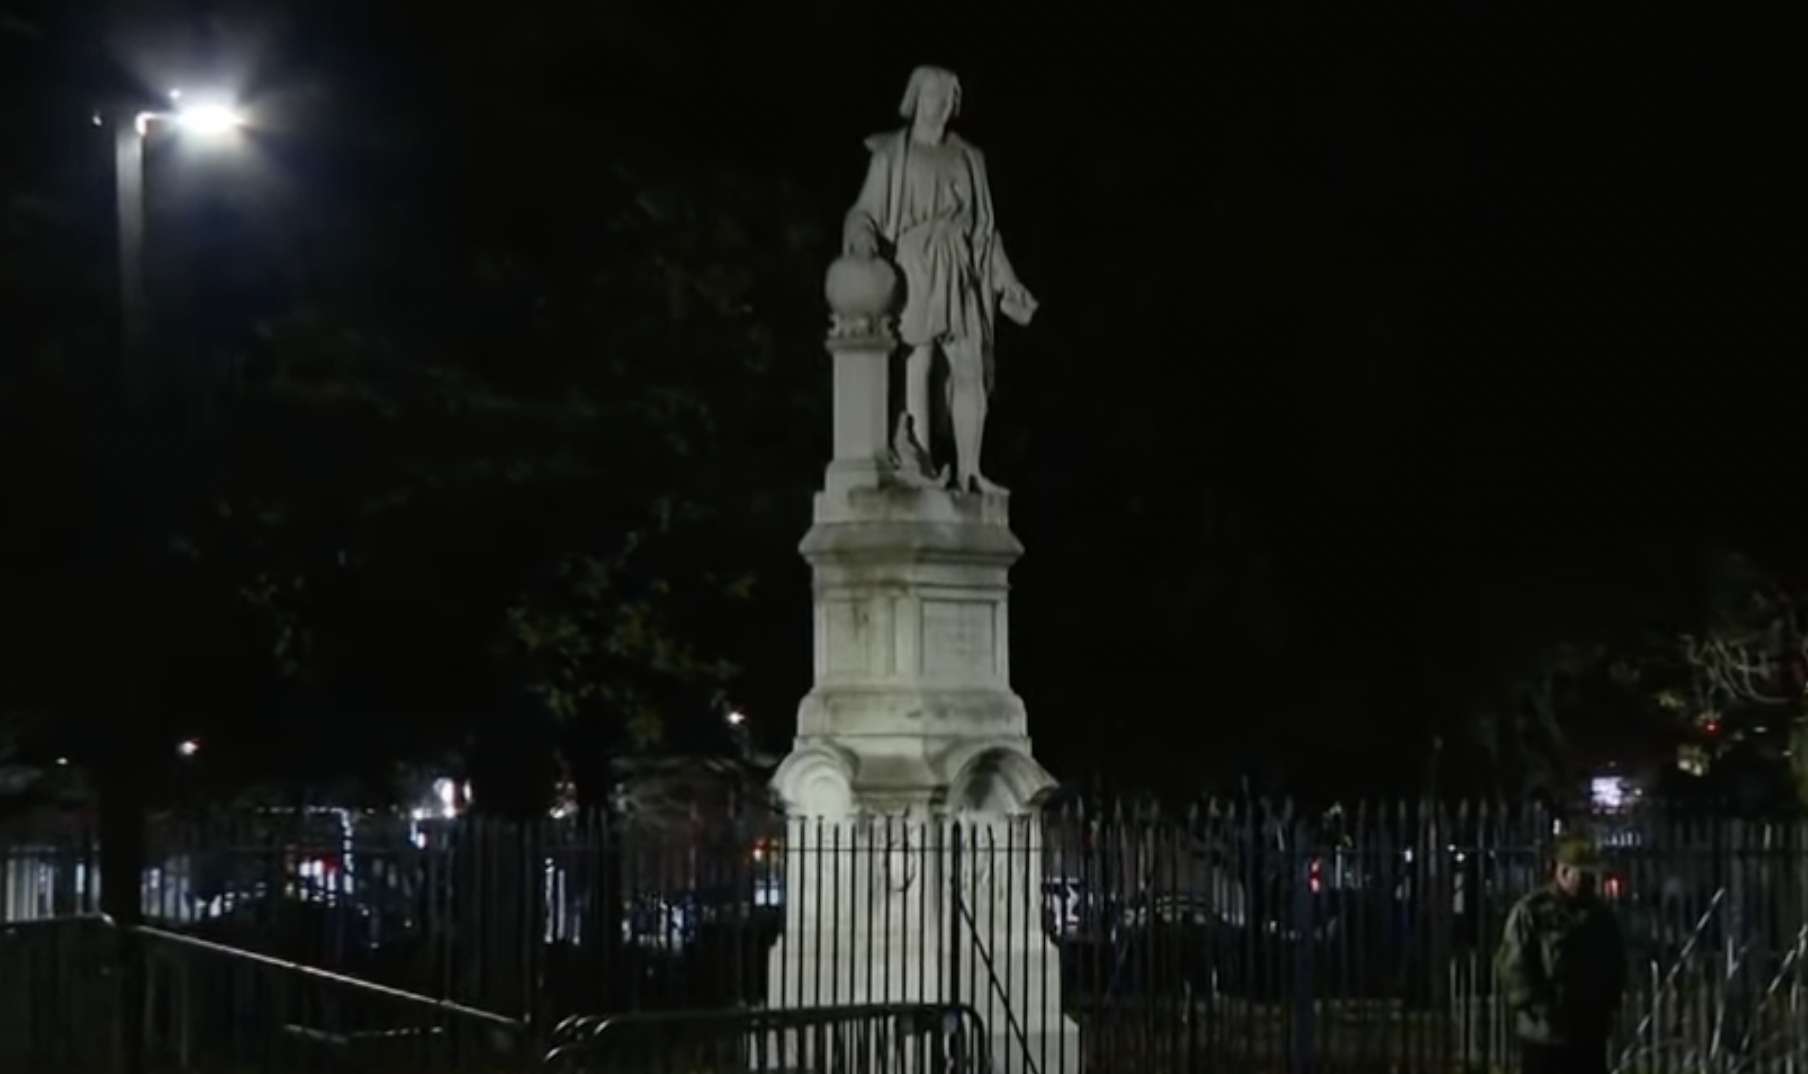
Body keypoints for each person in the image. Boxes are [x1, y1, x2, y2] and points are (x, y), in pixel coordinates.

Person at [842, 65, 1037, 494]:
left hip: (960, 267)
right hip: (916, 262)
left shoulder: (969, 158)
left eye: (950, 97)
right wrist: (862, 238)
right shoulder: (893, 154)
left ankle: (970, 468)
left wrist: (1007, 281)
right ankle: (921, 462)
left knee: (969, 366)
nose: (942, 105)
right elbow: (865, 212)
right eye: (934, 95)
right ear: (916, 98)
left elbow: (984, 232)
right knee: (919, 358)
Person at [1495, 836, 1627, 1074]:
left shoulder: (1600, 915)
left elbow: (1615, 962)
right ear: (1563, 872)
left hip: (1589, 1031)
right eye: (1583, 875)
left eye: (1592, 876)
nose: (1590, 882)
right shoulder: (1533, 911)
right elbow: (1515, 968)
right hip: (1546, 1036)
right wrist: (1542, 1008)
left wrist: (1608, 1004)